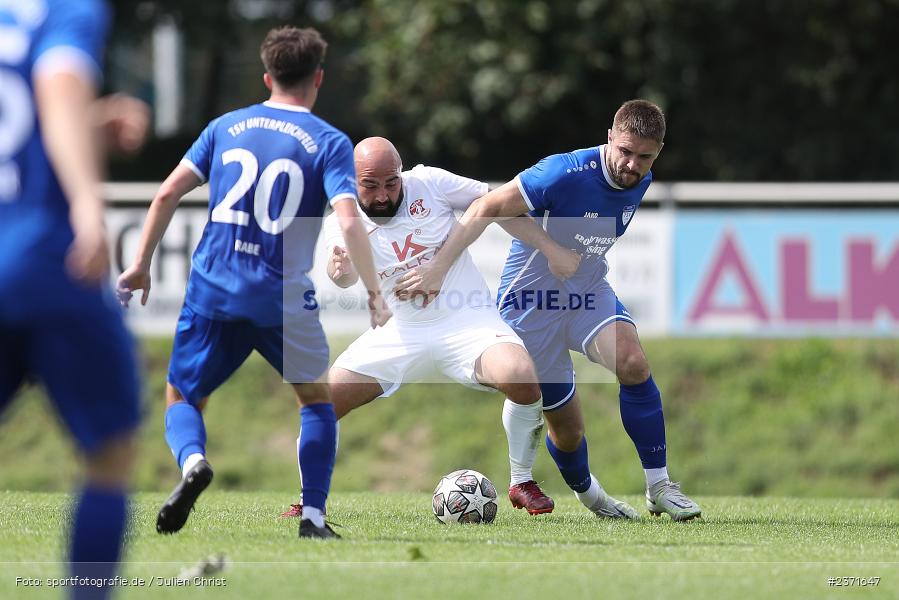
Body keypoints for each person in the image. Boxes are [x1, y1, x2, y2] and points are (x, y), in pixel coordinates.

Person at [117, 26, 390, 540]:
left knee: (181, 396)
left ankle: (194, 462)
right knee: (316, 403)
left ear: (267, 76)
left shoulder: (224, 127)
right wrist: (374, 292)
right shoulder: (329, 142)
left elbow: (167, 194)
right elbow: (350, 220)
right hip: (281, 297)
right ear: (318, 78)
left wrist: (140, 263)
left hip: (213, 289)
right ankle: (312, 519)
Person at [281, 137, 638, 519]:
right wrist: (340, 271)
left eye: (391, 182)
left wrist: (550, 249)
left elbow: (497, 207)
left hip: (465, 321)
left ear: (401, 172)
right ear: (352, 181)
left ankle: (521, 480)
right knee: (319, 403)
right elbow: (343, 274)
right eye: (370, 185)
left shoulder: (430, 183)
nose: (383, 194)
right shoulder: (342, 216)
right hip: (400, 331)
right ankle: (309, 502)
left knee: (521, 375)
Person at [394, 100, 702, 521]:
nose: (632, 165)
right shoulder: (561, 172)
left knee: (633, 363)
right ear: (609, 137)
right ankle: (593, 497)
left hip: (586, 292)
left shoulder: (639, 177)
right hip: (530, 306)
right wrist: (438, 268)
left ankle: (660, 486)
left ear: (659, 150)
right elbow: (485, 206)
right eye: (625, 152)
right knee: (569, 432)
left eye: (644, 156)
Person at [0, 0, 149, 597]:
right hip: (46, 260)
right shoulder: (64, 8)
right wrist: (89, 201)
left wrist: (85, 126)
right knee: (111, 450)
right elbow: (58, 83)